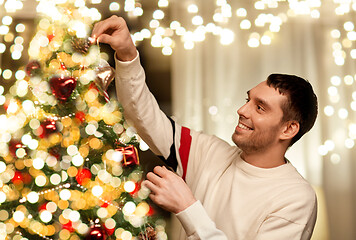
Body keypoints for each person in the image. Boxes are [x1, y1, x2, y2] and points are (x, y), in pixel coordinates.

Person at [91, 15, 318, 240]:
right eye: (248, 99)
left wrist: (187, 208)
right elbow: (142, 116)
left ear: (288, 129)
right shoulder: (208, 152)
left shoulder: (295, 198)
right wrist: (127, 54)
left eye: (260, 108)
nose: (242, 110)